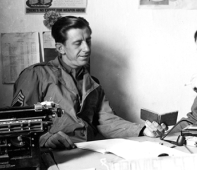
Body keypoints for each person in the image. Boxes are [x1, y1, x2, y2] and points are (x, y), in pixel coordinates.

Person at [11, 16, 166, 149]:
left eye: (88, 41)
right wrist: (44, 139)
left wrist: (143, 130)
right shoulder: (36, 75)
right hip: (50, 155)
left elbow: (106, 120)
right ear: (60, 48)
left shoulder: (92, 83)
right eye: (78, 43)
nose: (86, 49)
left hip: (87, 151)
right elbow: (17, 123)